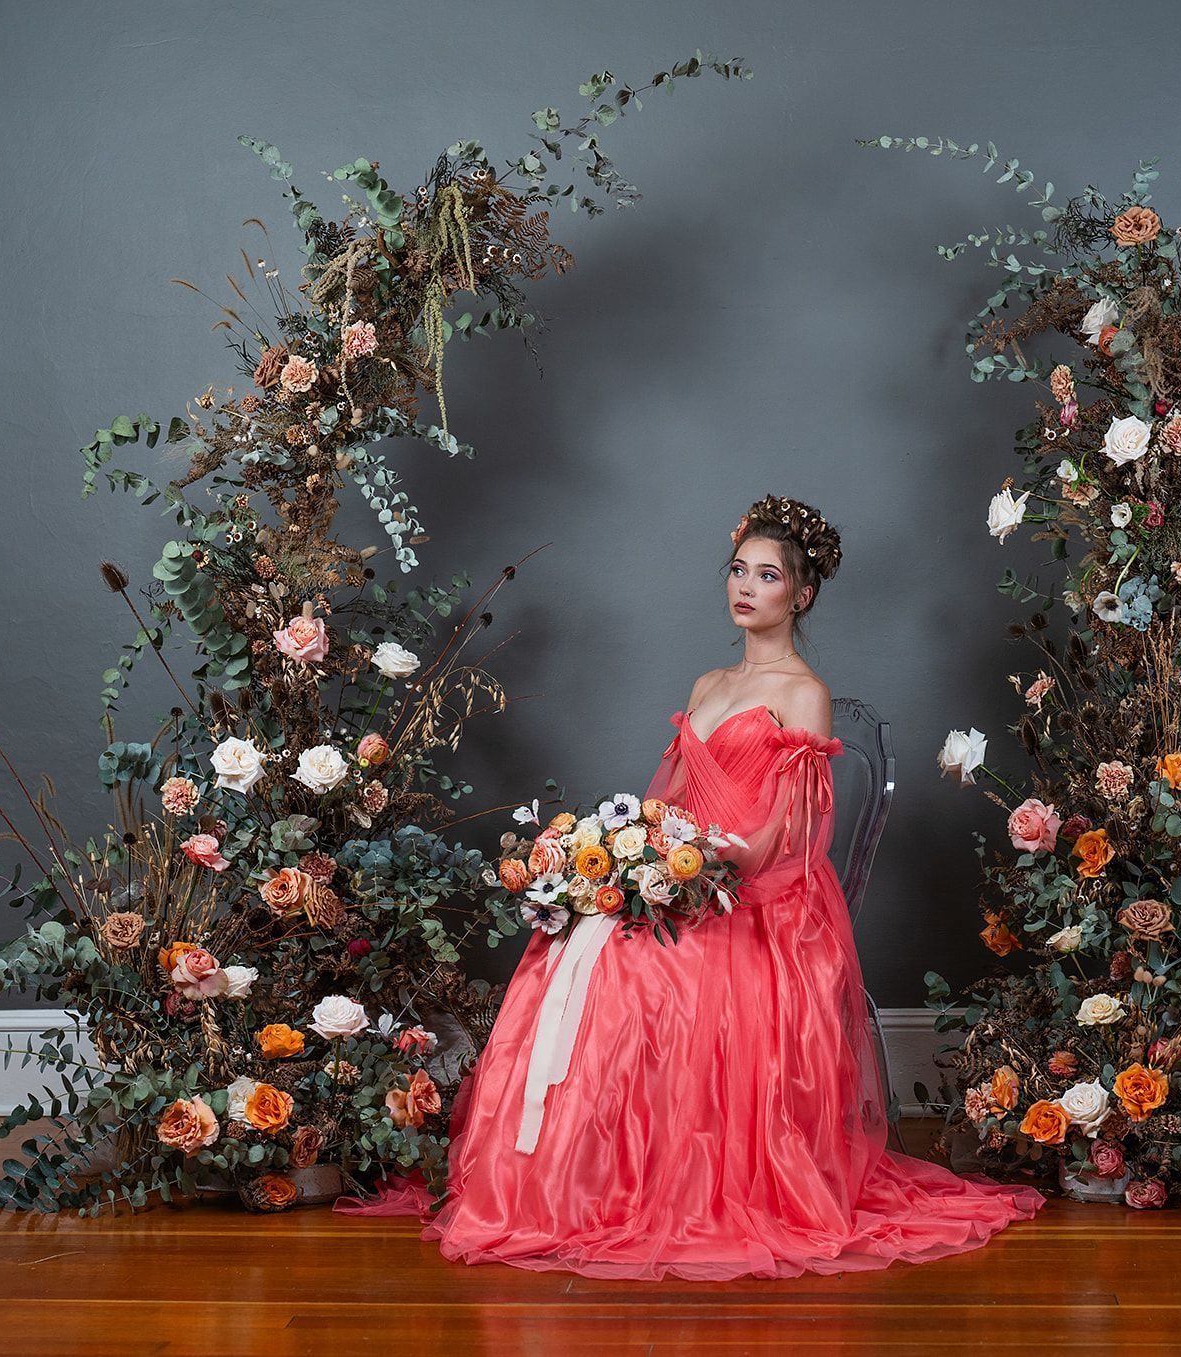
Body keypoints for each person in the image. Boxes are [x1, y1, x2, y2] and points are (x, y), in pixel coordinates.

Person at [333, 493, 1047, 1279]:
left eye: (767, 575)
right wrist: (618, 851)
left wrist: (700, 869)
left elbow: (788, 836)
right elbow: (665, 799)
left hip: (755, 895)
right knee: (572, 939)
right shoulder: (709, 682)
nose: (744, 587)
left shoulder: (802, 692)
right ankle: (566, 1183)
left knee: (642, 970)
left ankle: (630, 1182)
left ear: (801, 594)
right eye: (738, 570)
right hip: (684, 874)